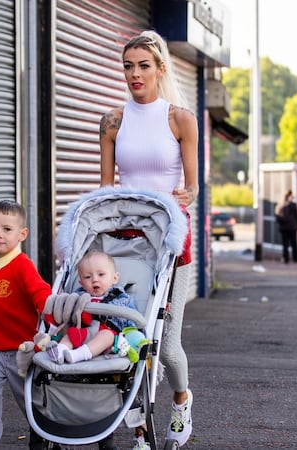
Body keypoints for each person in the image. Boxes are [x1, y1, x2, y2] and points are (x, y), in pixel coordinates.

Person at [99, 30, 197, 450]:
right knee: (127, 339)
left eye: (143, 65)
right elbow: (104, 191)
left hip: (171, 241)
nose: (134, 74)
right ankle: (139, 430)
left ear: (159, 69)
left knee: (167, 345)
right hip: (124, 242)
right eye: (128, 66)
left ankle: (181, 399)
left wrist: (186, 194)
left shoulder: (179, 118)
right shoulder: (112, 121)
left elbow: (192, 187)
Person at [0, 200, 52, 450]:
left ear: (22, 234)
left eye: (7, 229)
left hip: (21, 352)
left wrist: (52, 312)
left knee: (31, 401)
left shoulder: (23, 266)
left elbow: (41, 293)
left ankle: (47, 437)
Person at [45, 251, 139, 364]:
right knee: (71, 334)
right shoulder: (78, 297)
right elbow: (67, 314)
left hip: (107, 338)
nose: (94, 279)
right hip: (83, 332)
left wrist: (133, 336)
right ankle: (60, 351)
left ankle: (78, 355)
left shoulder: (123, 299)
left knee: (107, 336)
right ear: (81, 283)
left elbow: (133, 320)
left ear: (115, 278)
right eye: (87, 277)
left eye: (101, 274)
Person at [275, 190, 297, 263]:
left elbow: (277, 217)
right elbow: (296, 216)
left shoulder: (280, 205)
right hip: (290, 227)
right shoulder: (291, 205)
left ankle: (287, 258)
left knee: (286, 244)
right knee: (292, 243)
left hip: (285, 227)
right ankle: (294, 258)